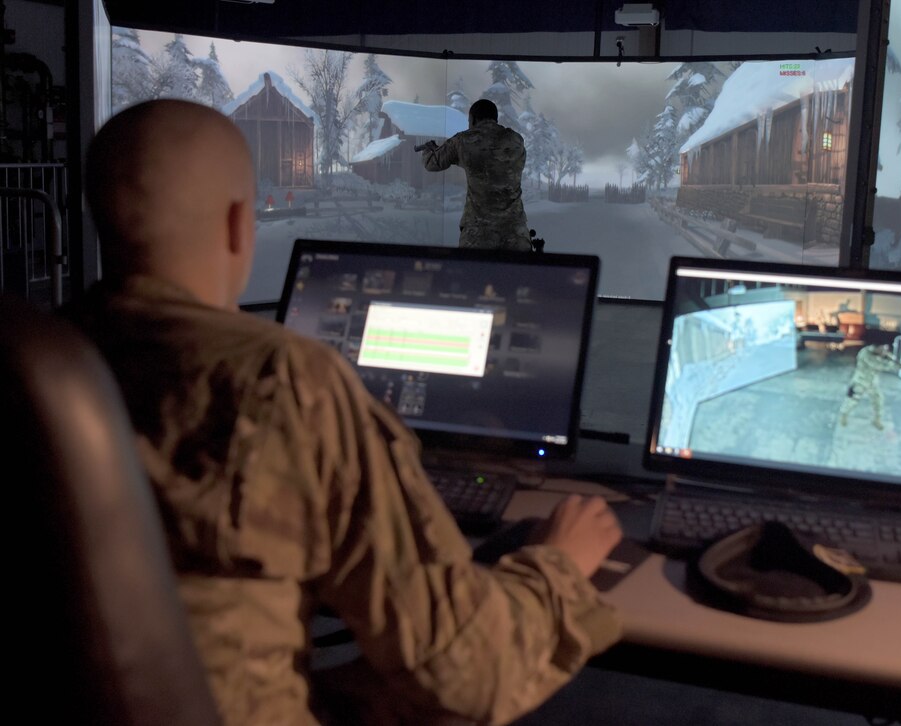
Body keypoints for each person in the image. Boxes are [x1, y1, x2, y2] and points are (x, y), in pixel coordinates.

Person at [71, 99, 622, 726]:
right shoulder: (283, 382)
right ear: (236, 224)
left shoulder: (50, 361)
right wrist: (560, 565)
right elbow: (470, 667)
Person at [421, 99, 532, 251]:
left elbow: (432, 163)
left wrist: (428, 150)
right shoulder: (516, 140)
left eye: (469, 121)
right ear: (495, 118)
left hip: (479, 237)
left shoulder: (464, 140)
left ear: (474, 119)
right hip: (516, 236)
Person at [838, 342, 901, 431]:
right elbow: (880, 365)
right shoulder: (865, 353)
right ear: (876, 347)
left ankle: (877, 420)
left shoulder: (881, 352)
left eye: (886, 349)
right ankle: (843, 416)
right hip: (860, 381)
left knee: (878, 400)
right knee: (851, 401)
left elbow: (891, 359)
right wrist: (898, 367)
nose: (885, 351)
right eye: (883, 349)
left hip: (872, 383)